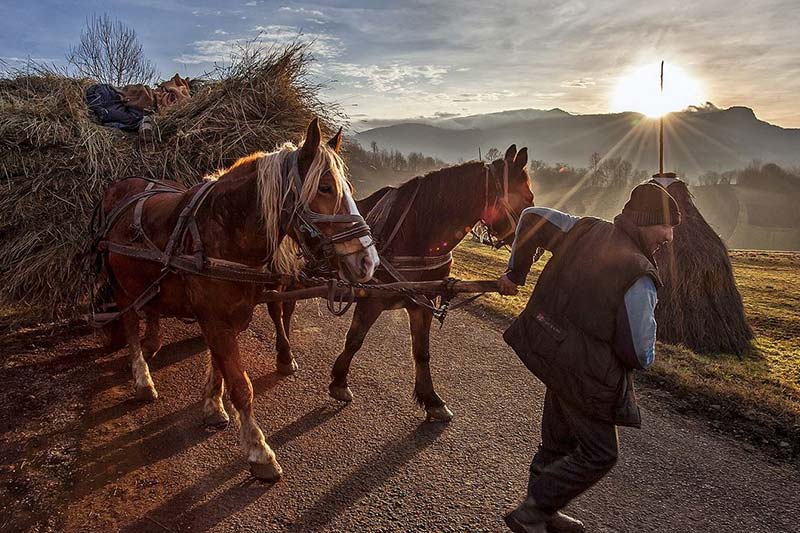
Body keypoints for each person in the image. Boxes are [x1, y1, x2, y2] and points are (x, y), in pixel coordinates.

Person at [497, 183, 681, 533]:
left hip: (549, 348)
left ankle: (542, 513)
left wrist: (516, 272)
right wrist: (646, 357)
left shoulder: (583, 228)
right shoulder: (639, 273)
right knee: (601, 453)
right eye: (666, 226)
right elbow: (640, 352)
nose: (670, 236)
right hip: (585, 373)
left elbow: (533, 217)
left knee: (557, 441)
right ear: (644, 222)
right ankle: (533, 511)